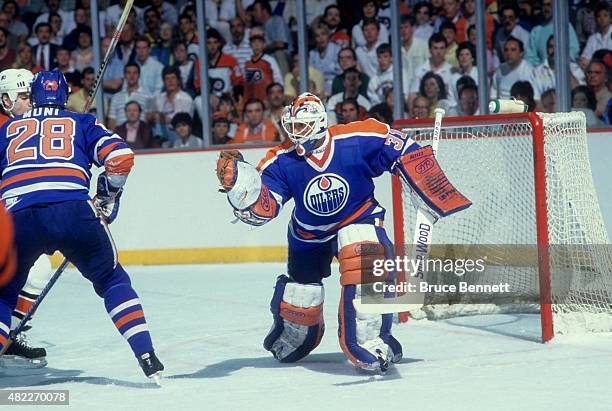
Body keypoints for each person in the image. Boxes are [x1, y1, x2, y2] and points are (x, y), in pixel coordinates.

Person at [215, 92, 470, 372]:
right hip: (309, 234)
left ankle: (371, 338)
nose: (294, 132)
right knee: (302, 297)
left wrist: (423, 174)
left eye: (301, 125)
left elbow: (399, 146)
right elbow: (265, 208)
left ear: (320, 122)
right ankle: (294, 336)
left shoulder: (357, 137)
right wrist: (242, 189)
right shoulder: (281, 160)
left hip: (358, 216)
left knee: (364, 256)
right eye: (292, 125)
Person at [0, 71, 164, 380]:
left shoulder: (8, 128)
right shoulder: (82, 123)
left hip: (19, 216)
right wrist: (107, 195)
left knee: (3, 295)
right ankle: (146, 353)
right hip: (74, 211)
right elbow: (121, 157)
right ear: (65, 97)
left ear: (32, 97)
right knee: (112, 280)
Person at [0, 68, 57, 366]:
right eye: (24, 97)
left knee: (38, 269)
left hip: (12, 222)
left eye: (31, 97)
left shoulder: (29, 125)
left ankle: (9, 335)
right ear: (6, 100)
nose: (30, 103)